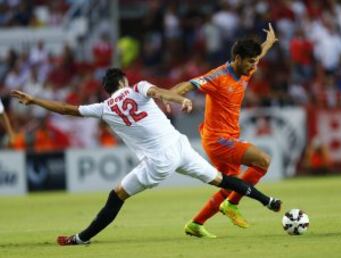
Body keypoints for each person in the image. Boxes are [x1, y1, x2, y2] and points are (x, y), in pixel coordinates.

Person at [11, 68, 281, 245]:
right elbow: (158, 92)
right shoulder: (138, 86)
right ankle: (266, 200)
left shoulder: (103, 108)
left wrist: (34, 101)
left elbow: (66, 109)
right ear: (124, 81)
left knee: (117, 195)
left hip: (158, 161)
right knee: (223, 180)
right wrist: (179, 100)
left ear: (108, 88)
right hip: (180, 146)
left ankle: (81, 238)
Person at [169, 23, 279, 238]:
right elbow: (188, 85)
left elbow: (259, 56)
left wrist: (268, 43)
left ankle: (196, 223)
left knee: (232, 184)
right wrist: (169, 96)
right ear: (236, 58)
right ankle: (231, 205)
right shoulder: (218, 76)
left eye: (255, 61)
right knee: (263, 160)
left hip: (226, 137)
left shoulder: (247, 68)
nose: (253, 66)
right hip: (218, 140)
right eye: (250, 61)